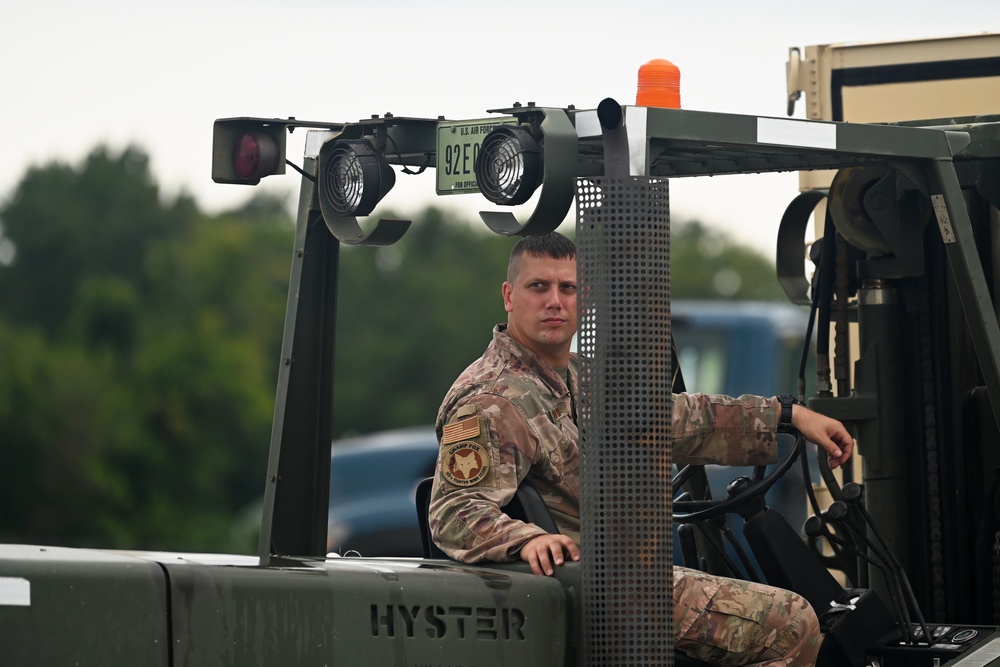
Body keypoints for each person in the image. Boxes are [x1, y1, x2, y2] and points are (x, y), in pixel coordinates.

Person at [427, 232, 854, 667]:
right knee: (790, 622)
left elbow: (676, 418)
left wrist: (788, 417)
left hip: (619, 577)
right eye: (539, 286)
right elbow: (454, 509)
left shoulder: (578, 378)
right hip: (589, 588)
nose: (555, 301)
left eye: (568, 288)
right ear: (509, 296)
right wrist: (526, 539)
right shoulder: (493, 399)